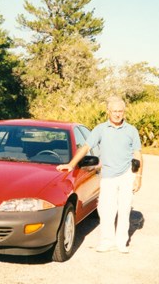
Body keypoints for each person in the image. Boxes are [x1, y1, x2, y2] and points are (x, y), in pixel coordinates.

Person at [57, 96, 143, 253]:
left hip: (126, 175)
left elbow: (137, 154)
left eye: (120, 111)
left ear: (124, 112)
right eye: (114, 111)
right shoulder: (100, 129)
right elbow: (85, 147)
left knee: (124, 210)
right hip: (108, 176)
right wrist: (71, 164)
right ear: (108, 112)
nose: (117, 114)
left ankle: (121, 242)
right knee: (106, 210)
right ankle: (107, 241)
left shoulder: (131, 131)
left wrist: (138, 177)